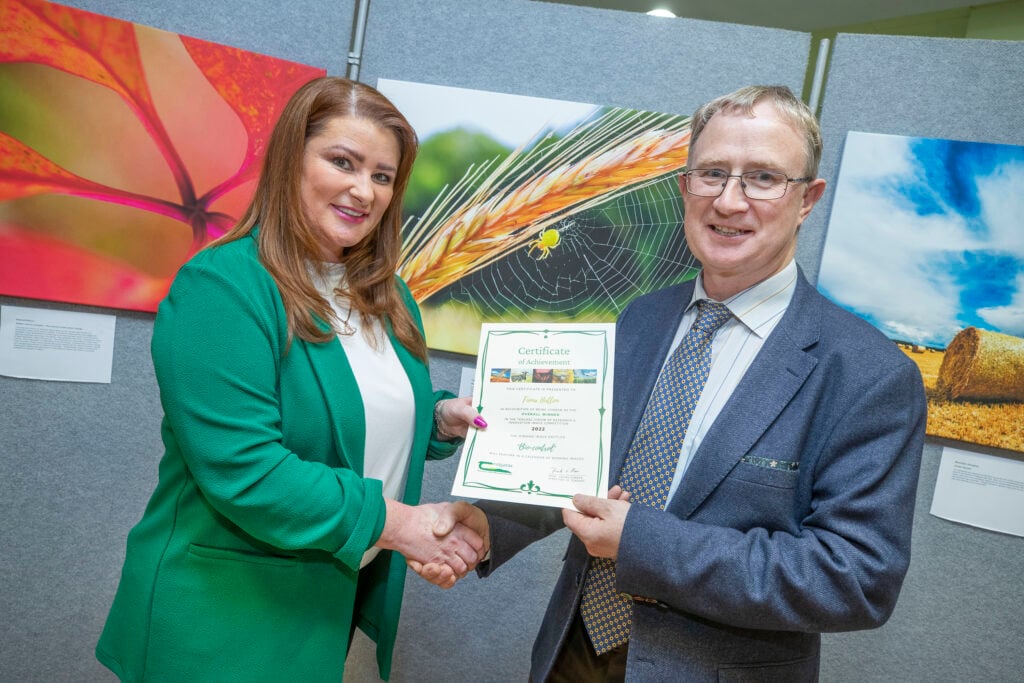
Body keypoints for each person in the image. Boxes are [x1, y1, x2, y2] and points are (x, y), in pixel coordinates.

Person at [424, 85, 928, 681]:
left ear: (808, 200)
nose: (730, 201)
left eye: (763, 178)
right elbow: (584, 476)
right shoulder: (642, 318)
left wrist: (642, 541)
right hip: (571, 654)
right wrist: (489, 526)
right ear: (686, 186)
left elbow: (856, 578)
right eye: (712, 173)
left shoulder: (869, 374)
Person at [95, 77, 488, 681]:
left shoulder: (387, 296)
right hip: (220, 614)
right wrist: (405, 526)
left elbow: (349, 408)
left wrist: (437, 417)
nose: (364, 190)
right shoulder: (224, 287)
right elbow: (246, 469)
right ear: (290, 161)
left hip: (318, 605)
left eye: (383, 176)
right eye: (343, 162)